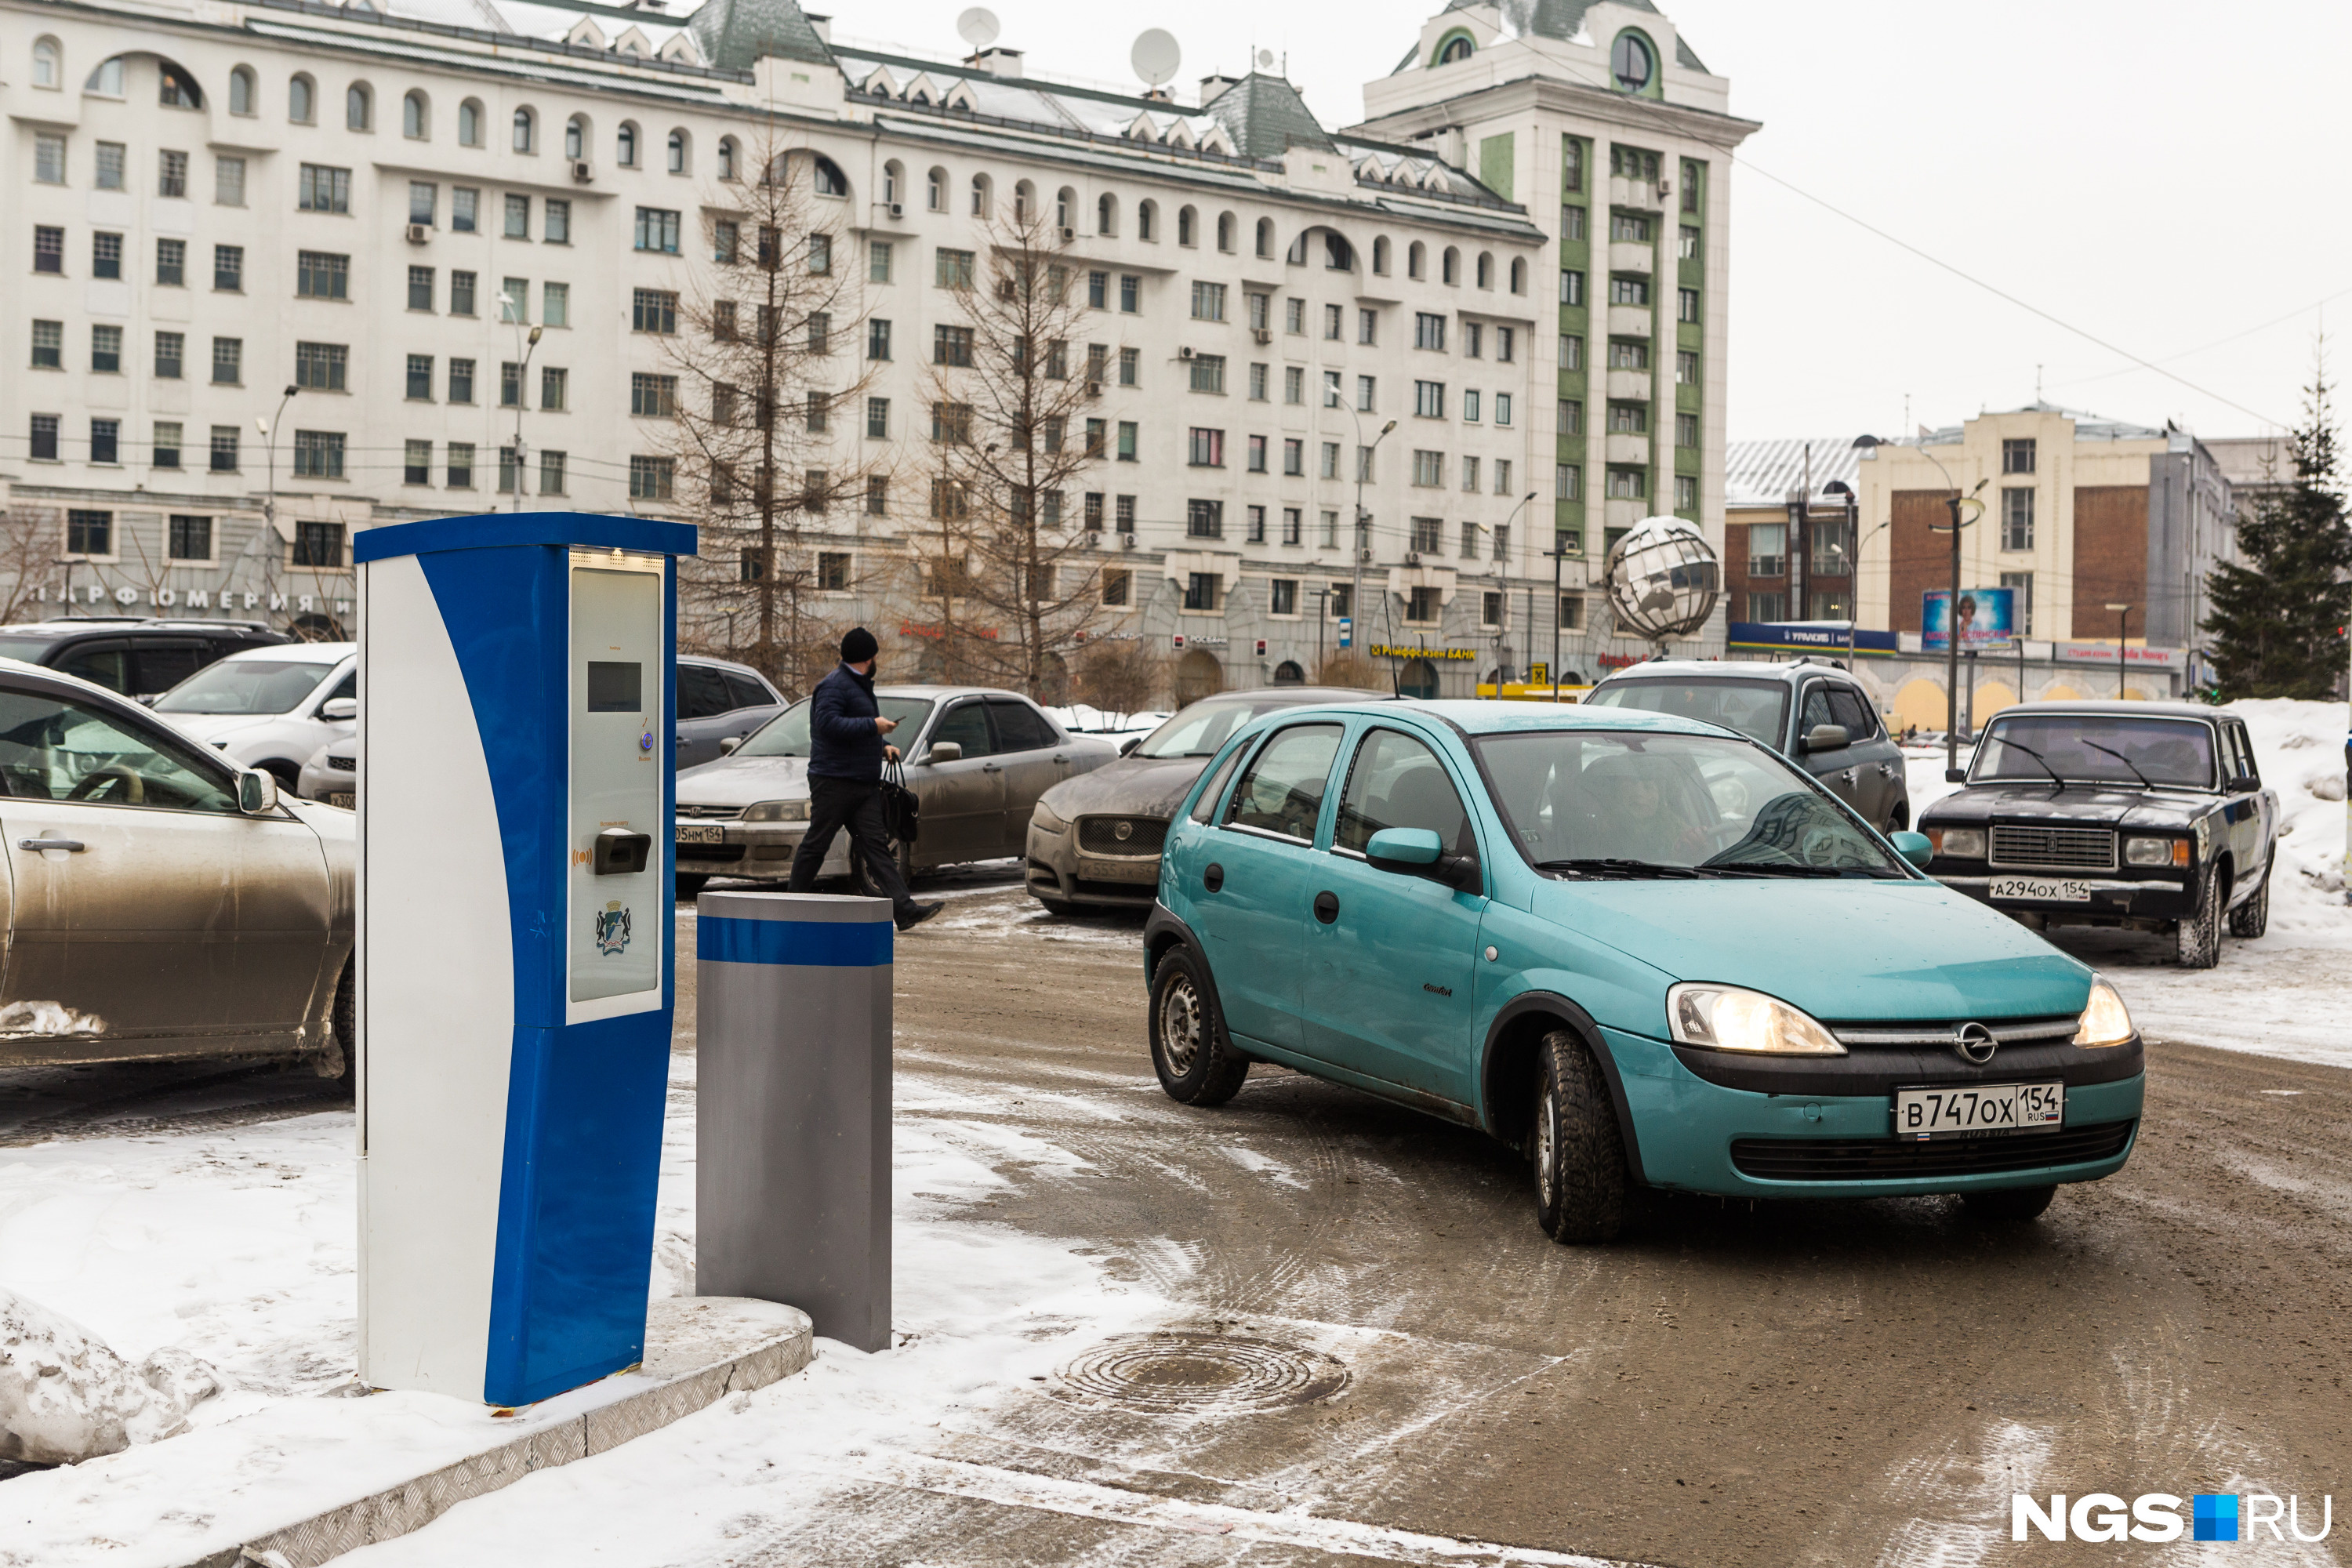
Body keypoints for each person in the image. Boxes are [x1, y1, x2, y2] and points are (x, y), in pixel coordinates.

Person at [789, 628, 943, 932]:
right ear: (867, 658)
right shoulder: (834, 686)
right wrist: (873, 726)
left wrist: (883, 747)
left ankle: (905, 909)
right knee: (816, 844)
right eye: (875, 656)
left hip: (862, 782)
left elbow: (853, 731)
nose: (876, 661)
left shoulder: (859, 685)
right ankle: (790, 906)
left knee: (875, 847)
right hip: (833, 781)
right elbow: (829, 725)